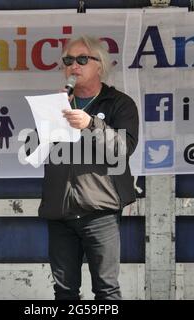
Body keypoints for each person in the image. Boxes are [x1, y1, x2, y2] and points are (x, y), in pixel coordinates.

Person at [35, 35, 139, 300]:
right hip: (60, 210)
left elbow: (122, 150)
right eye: (68, 60)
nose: (74, 66)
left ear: (100, 66)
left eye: (83, 59)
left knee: (106, 289)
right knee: (64, 290)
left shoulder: (119, 103)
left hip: (100, 211)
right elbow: (33, 152)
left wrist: (92, 125)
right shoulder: (57, 104)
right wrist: (50, 116)